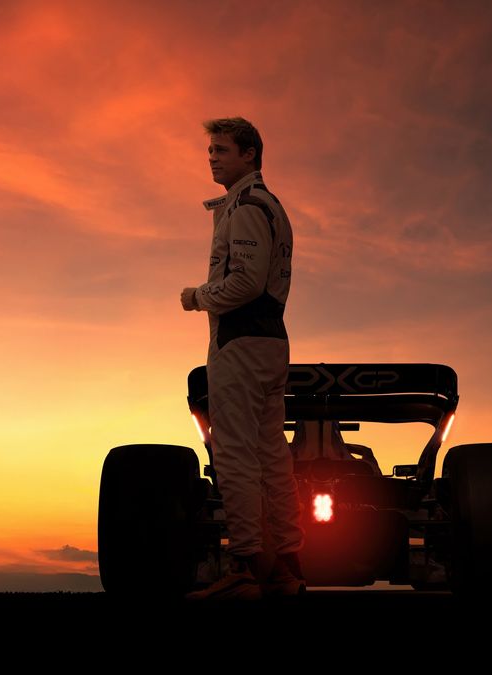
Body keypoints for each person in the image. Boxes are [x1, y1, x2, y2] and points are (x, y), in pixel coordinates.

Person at [180, 117, 306, 601]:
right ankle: (285, 569)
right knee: (272, 456)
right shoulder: (267, 205)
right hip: (270, 343)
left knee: (234, 453)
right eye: (210, 151)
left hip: (241, 344)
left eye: (221, 150)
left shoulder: (249, 206)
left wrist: (197, 296)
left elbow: (246, 284)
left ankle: (247, 568)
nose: (212, 158)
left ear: (249, 154)